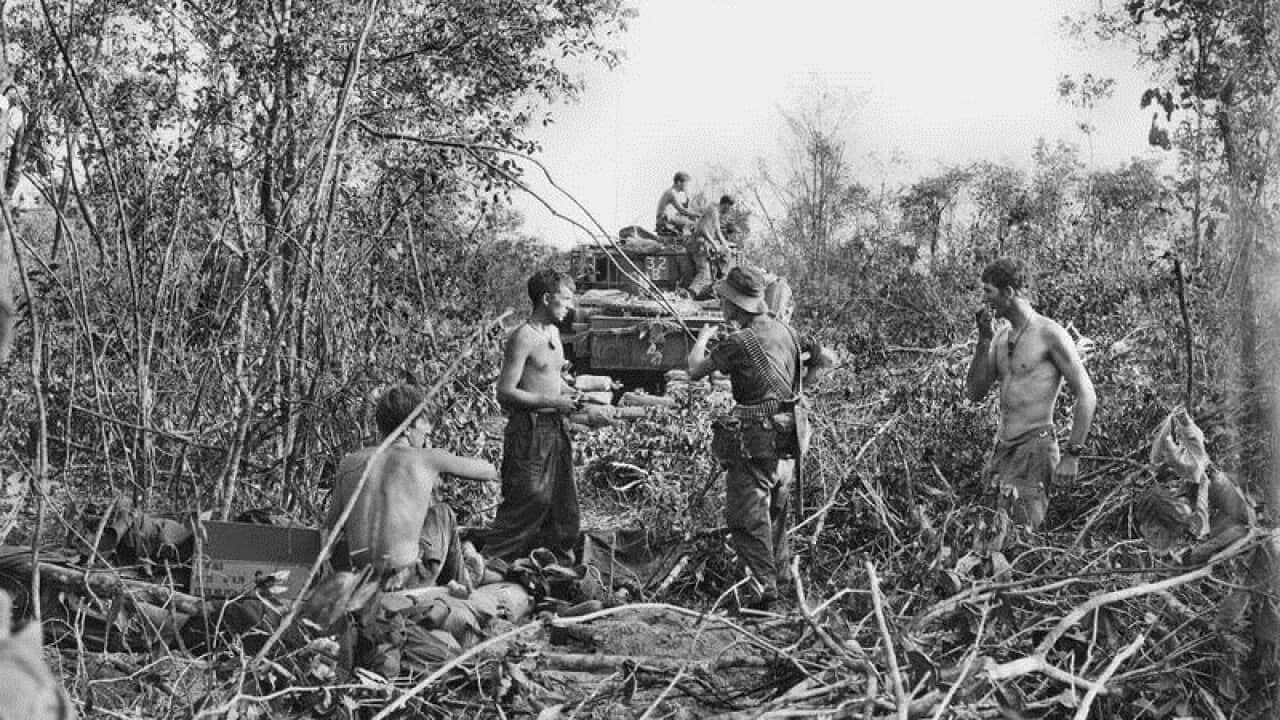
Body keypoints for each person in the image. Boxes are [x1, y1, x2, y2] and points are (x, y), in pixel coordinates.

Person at [687, 266, 833, 610]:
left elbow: (693, 370)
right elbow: (823, 360)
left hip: (757, 445)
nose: (722, 304)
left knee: (747, 519)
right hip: (788, 444)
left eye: (723, 299)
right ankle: (780, 581)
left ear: (733, 304)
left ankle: (762, 591)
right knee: (775, 517)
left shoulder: (739, 342)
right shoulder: (787, 330)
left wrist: (703, 339)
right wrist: (799, 391)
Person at [965, 257, 1096, 531]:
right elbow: (975, 392)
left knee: (1021, 538)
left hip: (1034, 448)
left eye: (988, 291)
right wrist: (983, 340)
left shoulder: (1049, 334)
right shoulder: (1000, 337)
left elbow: (1086, 394)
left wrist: (1073, 455)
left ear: (1008, 292)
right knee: (990, 536)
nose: (984, 298)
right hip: (1002, 450)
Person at [326, 384, 499, 591]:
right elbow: (488, 471)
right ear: (409, 427)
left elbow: (330, 528)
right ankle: (463, 582)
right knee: (442, 513)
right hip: (408, 578)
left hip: (363, 578)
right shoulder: (427, 458)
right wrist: (436, 457)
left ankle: (465, 572)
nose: (427, 432)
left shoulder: (350, 463)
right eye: (424, 426)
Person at [485, 268, 581, 563]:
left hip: (555, 427)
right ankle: (491, 562)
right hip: (529, 429)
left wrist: (570, 393)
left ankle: (553, 569)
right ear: (546, 298)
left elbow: (549, 376)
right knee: (528, 499)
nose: (570, 306)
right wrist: (551, 401)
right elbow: (505, 391)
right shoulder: (523, 337)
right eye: (565, 299)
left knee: (563, 504)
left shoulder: (553, 332)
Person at [685, 194, 736, 299]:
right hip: (698, 245)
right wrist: (714, 244)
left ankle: (720, 282)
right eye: (730, 207)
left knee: (726, 254)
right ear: (726, 205)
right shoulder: (712, 210)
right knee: (704, 273)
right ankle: (689, 294)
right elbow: (702, 229)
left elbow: (717, 231)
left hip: (703, 245)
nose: (729, 210)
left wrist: (726, 245)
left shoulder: (716, 213)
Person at [655, 171, 699, 237]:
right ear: (678, 182)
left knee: (691, 221)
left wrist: (688, 199)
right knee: (693, 225)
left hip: (669, 219)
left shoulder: (674, 193)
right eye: (686, 184)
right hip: (665, 221)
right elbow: (682, 210)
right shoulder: (671, 193)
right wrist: (698, 215)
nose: (687, 186)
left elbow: (684, 209)